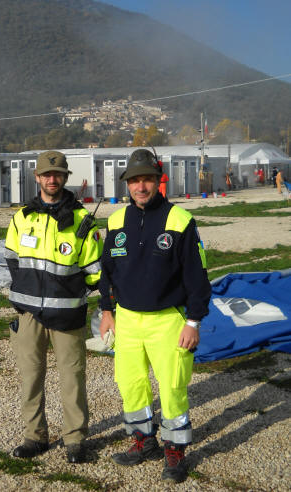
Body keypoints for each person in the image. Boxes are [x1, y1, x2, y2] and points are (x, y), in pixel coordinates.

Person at [98, 149, 211, 483]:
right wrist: (106, 310)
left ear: (158, 179)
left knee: (173, 387)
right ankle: (143, 441)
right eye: (134, 180)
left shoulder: (180, 221)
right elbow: (107, 271)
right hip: (128, 320)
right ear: (128, 184)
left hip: (169, 320)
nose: (140, 186)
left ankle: (175, 449)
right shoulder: (117, 221)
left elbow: (197, 277)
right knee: (130, 385)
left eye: (146, 179)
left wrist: (193, 322)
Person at [4, 151, 103, 462]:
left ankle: (75, 440)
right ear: (37, 177)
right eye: (46, 174)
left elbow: (95, 272)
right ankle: (35, 437)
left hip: (68, 313)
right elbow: (12, 258)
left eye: (57, 173)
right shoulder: (22, 217)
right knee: (31, 376)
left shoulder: (80, 221)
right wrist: (29, 289)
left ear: (65, 177)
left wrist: (69, 291)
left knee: (73, 378)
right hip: (29, 314)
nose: (52, 179)